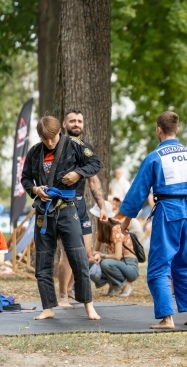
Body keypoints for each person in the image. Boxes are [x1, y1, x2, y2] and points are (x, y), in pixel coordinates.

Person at [119, 111, 187, 329]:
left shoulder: (155, 157)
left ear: (159, 130)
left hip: (168, 212)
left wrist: (126, 220)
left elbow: (138, 191)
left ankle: (167, 318)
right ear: (177, 130)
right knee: (186, 263)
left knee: (159, 265)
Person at [21, 115, 101, 320]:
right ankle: (48, 307)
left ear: (59, 132)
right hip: (44, 211)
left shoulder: (75, 145)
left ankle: (88, 305)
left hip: (67, 209)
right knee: (43, 262)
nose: (49, 142)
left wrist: (78, 174)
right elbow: (26, 178)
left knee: (78, 258)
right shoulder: (34, 152)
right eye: (44, 139)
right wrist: (36, 189)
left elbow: (95, 162)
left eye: (52, 138)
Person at [57, 108, 108, 308]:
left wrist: (103, 207)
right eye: (72, 121)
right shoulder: (58, 146)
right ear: (64, 124)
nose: (76, 124)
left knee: (87, 254)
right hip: (63, 204)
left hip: (80, 204)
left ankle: (69, 290)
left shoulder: (86, 149)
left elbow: (93, 181)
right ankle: (61, 295)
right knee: (68, 254)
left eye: (79, 121)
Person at [90, 200, 138, 297]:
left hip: (129, 266)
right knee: (89, 262)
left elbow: (117, 256)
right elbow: (95, 251)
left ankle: (125, 284)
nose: (94, 217)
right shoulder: (101, 230)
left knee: (106, 263)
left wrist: (101, 255)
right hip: (117, 264)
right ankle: (112, 284)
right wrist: (95, 255)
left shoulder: (116, 228)